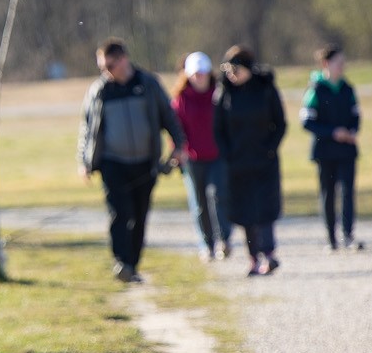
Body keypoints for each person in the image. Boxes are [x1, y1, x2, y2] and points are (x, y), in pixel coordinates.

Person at [78, 38, 185, 283]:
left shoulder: (147, 84)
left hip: (145, 164)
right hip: (112, 163)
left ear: (124, 59)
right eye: (102, 67)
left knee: (139, 214)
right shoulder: (99, 91)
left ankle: (133, 264)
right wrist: (84, 161)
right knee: (119, 213)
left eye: (110, 66)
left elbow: (168, 116)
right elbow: (87, 128)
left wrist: (179, 145)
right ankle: (122, 262)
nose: (106, 72)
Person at [213, 45, 286, 276]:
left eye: (236, 70)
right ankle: (253, 258)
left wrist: (270, 148)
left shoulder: (265, 88)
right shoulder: (224, 93)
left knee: (265, 208)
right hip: (237, 162)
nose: (232, 75)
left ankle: (269, 254)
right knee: (245, 212)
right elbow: (217, 129)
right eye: (228, 71)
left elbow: (280, 123)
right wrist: (227, 153)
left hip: (264, 160)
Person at [300, 45, 363, 252]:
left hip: (347, 150)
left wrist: (352, 131)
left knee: (347, 193)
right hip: (324, 151)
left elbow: (356, 115)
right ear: (326, 64)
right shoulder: (315, 89)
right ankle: (331, 238)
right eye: (339, 63)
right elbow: (307, 121)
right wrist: (333, 132)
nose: (342, 67)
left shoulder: (347, 88)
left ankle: (348, 235)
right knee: (328, 194)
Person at [172, 51, 230, 260]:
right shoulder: (181, 100)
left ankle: (223, 239)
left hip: (218, 156)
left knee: (219, 196)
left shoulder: (219, 95)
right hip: (192, 159)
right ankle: (206, 244)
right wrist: (178, 150)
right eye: (195, 74)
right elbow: (175, 128)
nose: (199, 78)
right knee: (199, 203)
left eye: (202, 73)